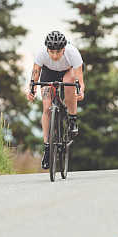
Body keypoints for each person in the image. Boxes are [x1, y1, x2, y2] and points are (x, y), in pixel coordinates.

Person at [27, 30, 85, 169]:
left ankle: (72, 119)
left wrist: (80, 90)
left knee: (69, 83)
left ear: (64, 49)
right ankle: (47, 148)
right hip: (49, 72)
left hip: (68, 71)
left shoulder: (73, 53)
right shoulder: (41, 54)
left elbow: (80, 81)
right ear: (47, 49)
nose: (54, 55)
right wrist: (31, 90)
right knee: (47, 108)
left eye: (58, 52)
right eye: (51, 51)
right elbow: (35, 75)